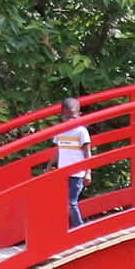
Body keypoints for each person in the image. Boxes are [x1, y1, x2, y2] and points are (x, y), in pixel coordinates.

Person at [55, 97, 93, 229]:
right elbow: (60, 149)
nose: (70, 120)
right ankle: (69, 229)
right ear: (61, 116)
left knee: (70, 202)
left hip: (77, 174)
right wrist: (50, 164)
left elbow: (87, 153)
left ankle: (79, 228)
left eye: (73, 116)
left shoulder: (81, 131)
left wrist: (88, 172)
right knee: (61, 203)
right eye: (66, 117)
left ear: (79, 115)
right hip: (62, 172)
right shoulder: (59, 131)